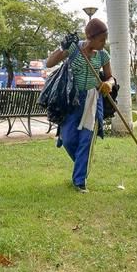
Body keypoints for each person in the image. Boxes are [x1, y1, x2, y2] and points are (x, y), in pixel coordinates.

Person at [46, 18, 114, 193]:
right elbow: (49, 63)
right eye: (102, 39)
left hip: (93, 100)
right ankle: (81, 165)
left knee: (86, 140)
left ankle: (79, 181)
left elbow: (110, 77)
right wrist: (63, 47)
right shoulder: (74, 48)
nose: (104, 43)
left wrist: (109, 85)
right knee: (68, 140)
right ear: (90, 38)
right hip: (72, 100)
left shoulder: (103, 55)